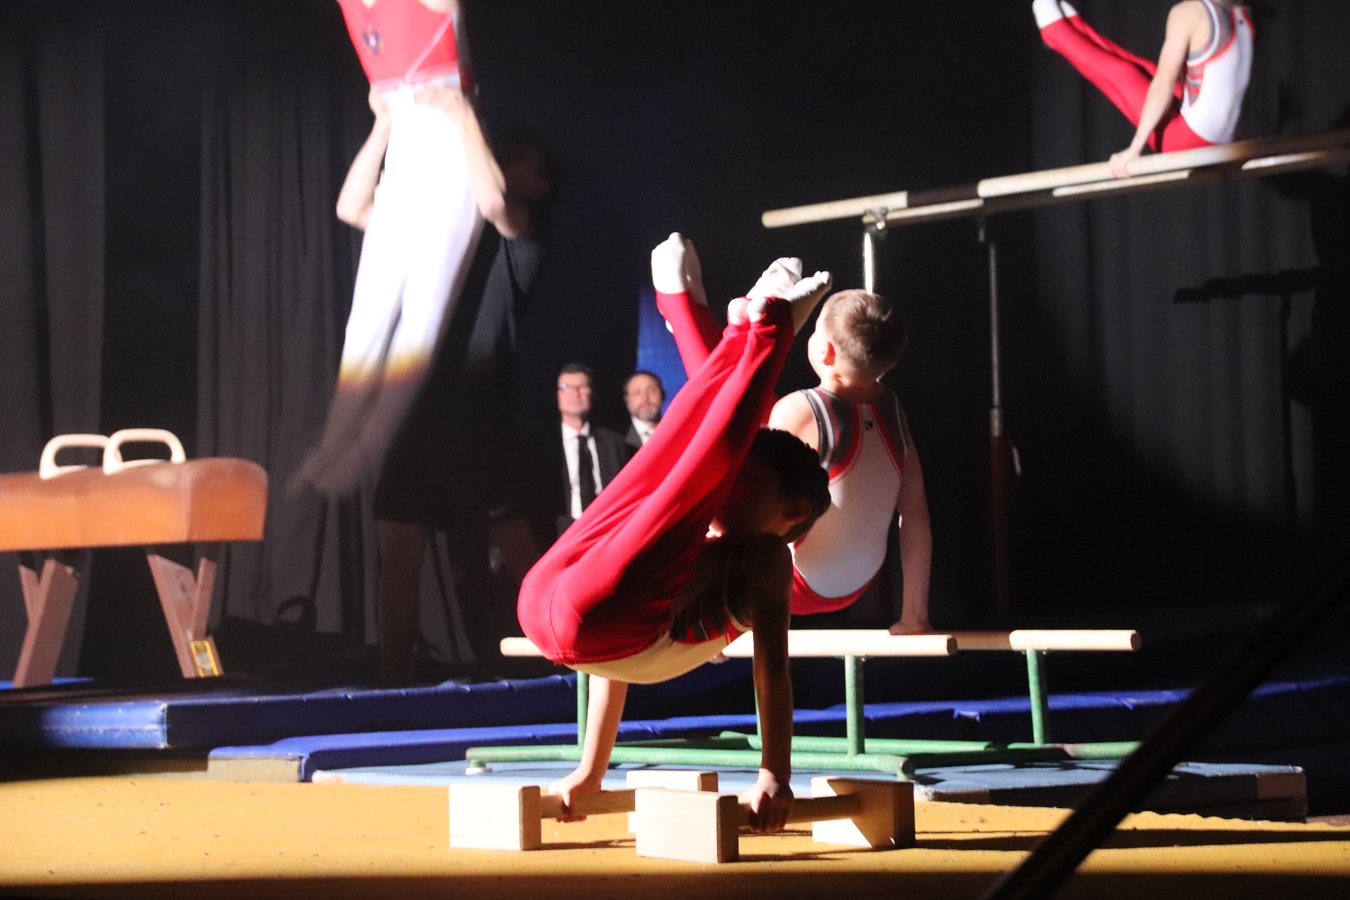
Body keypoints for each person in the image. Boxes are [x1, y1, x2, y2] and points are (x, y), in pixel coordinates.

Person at [520, 239, 832, 827]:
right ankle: (744, 330)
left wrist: (775, 772)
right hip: (558, 604)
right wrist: (591, 771)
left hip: (584, 619)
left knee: (687, 467)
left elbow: (772, 669)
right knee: (661, 463)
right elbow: (608, 669)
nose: (728, 491)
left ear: (792, 512)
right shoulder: (686, 552)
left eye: (746, 483)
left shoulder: (765, 557)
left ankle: (756, 332)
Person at [331, 80, 556, 680]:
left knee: (515, 545)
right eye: (504, 152)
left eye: (521, 159)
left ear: (538, 185)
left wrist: (462, 113)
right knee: (399, 550)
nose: (506, 160)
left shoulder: (523, 232)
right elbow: (352, 208)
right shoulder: (435, 231)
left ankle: (571, 665)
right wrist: (383, 122)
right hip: (415, 412)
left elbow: (493, 201)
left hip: (477, 415)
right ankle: (392, 682)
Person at [296, 0, 484, 496]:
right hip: (401, 170)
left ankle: (371, 446)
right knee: (367, 318)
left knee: (419, 321)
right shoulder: (355, 8)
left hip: (453, 170)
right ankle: (334, 441)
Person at [767, 291, 933, 634]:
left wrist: (723, 611)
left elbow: (754, 506)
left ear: (825, 351)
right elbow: (915, 515)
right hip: (858, 585)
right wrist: (914, 616)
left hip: (792, 586)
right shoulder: (894, 410)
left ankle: (681, 302)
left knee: (729, 428)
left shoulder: (800, 408)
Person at [1033, 0, 1254, 177]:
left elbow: (1163, 84)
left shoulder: (1189, 13)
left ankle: (1055, 31)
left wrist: (1134, 149)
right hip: (1224, 141)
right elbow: (1233, 89)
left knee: (1122, 74)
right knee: (1146, 69)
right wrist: (1234, 139)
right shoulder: (1245, 14)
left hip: (1186, 142)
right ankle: (1075, 26)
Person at [554, 363, 630, 538]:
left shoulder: (613, 442)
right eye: (566, 387)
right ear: (557, 396)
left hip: (609, 531)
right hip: (563, 536)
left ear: (592, 394)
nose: (575, 393)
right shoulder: (544, 447)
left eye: (582, 387)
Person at [623, 371, 665, 450]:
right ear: (627, 401)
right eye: (637, 393)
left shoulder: (677, 431)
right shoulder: (618, 441)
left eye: (651, 390)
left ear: (662, 395)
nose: (645, 398)